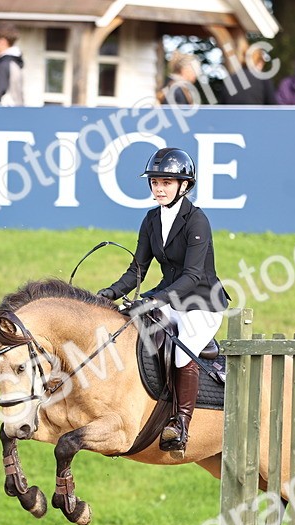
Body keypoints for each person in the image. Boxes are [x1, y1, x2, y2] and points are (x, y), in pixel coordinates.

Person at [96, 148, 229, 455]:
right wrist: (110, 293)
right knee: (131, 331)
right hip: (168, 297)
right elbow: (138, 269)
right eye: (155, 181)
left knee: (182, 355)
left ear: (184, 186)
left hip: (202, 303)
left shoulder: (197, 221)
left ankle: (180, 424)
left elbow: (193, 276)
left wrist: (155, 300)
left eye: (167, 182)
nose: (159, 187)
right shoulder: (151, 219)